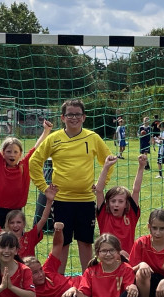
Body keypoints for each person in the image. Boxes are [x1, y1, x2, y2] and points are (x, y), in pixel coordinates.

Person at [29, 99, 113, 273]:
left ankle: (87, 280)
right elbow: (34, 161)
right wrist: (44, 187)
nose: (73, 118)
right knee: (62, 242)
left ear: (84, 117)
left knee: (85, 242)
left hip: (86, 200)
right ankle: (59, 283)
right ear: (62, 118)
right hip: (62, 200)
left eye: (77, 114)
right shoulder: (54, 139)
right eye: (69, 114)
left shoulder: (93, 137)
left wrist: (100, 185)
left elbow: (108, 160)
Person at [0, 110, 53, 228]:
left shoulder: (24, 165)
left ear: (20, 154)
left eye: (15, 152)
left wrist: (46, 131)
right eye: (8, 152)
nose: (12, 155)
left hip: (18, 212)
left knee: (17, 243)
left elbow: (36, 147)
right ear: (3, 153)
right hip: (1, 211)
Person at [61, 234, 139, 297]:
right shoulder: (91, 271)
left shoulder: (126, 268)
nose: (108, 254)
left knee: (132, 296)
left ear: (118, 252)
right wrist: (73, 290)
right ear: (97, 253)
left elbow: (129, 292)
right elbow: (84, 296)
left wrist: (132, 286)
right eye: (104, 251)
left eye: (112, 250)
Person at [0, 181, 57, 258]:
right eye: (12, 223)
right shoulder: (3, 237)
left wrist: (49, 201)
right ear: (7, 225)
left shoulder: (30, 237)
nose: (15, 225)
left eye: (18, 222)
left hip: (27, 270)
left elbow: (43, 219)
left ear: (24, 224)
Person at [95, 154, 146, 257]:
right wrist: (106, 167)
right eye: (113, 201)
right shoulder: (104, 215)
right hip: (107, 259)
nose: (116, 205)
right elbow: (99, 190)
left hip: (127, 262)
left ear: (126, 203)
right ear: (108, 203)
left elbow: (136, 190)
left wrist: (141, 167)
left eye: (120, 201)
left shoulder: (131, 215)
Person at [23, 222, 82, 297]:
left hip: (82, 284)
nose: (40, 274)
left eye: (40, 270)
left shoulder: (47, 269)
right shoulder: (29, 292)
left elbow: (57, 245)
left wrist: (58, 231)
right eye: (35, 273)